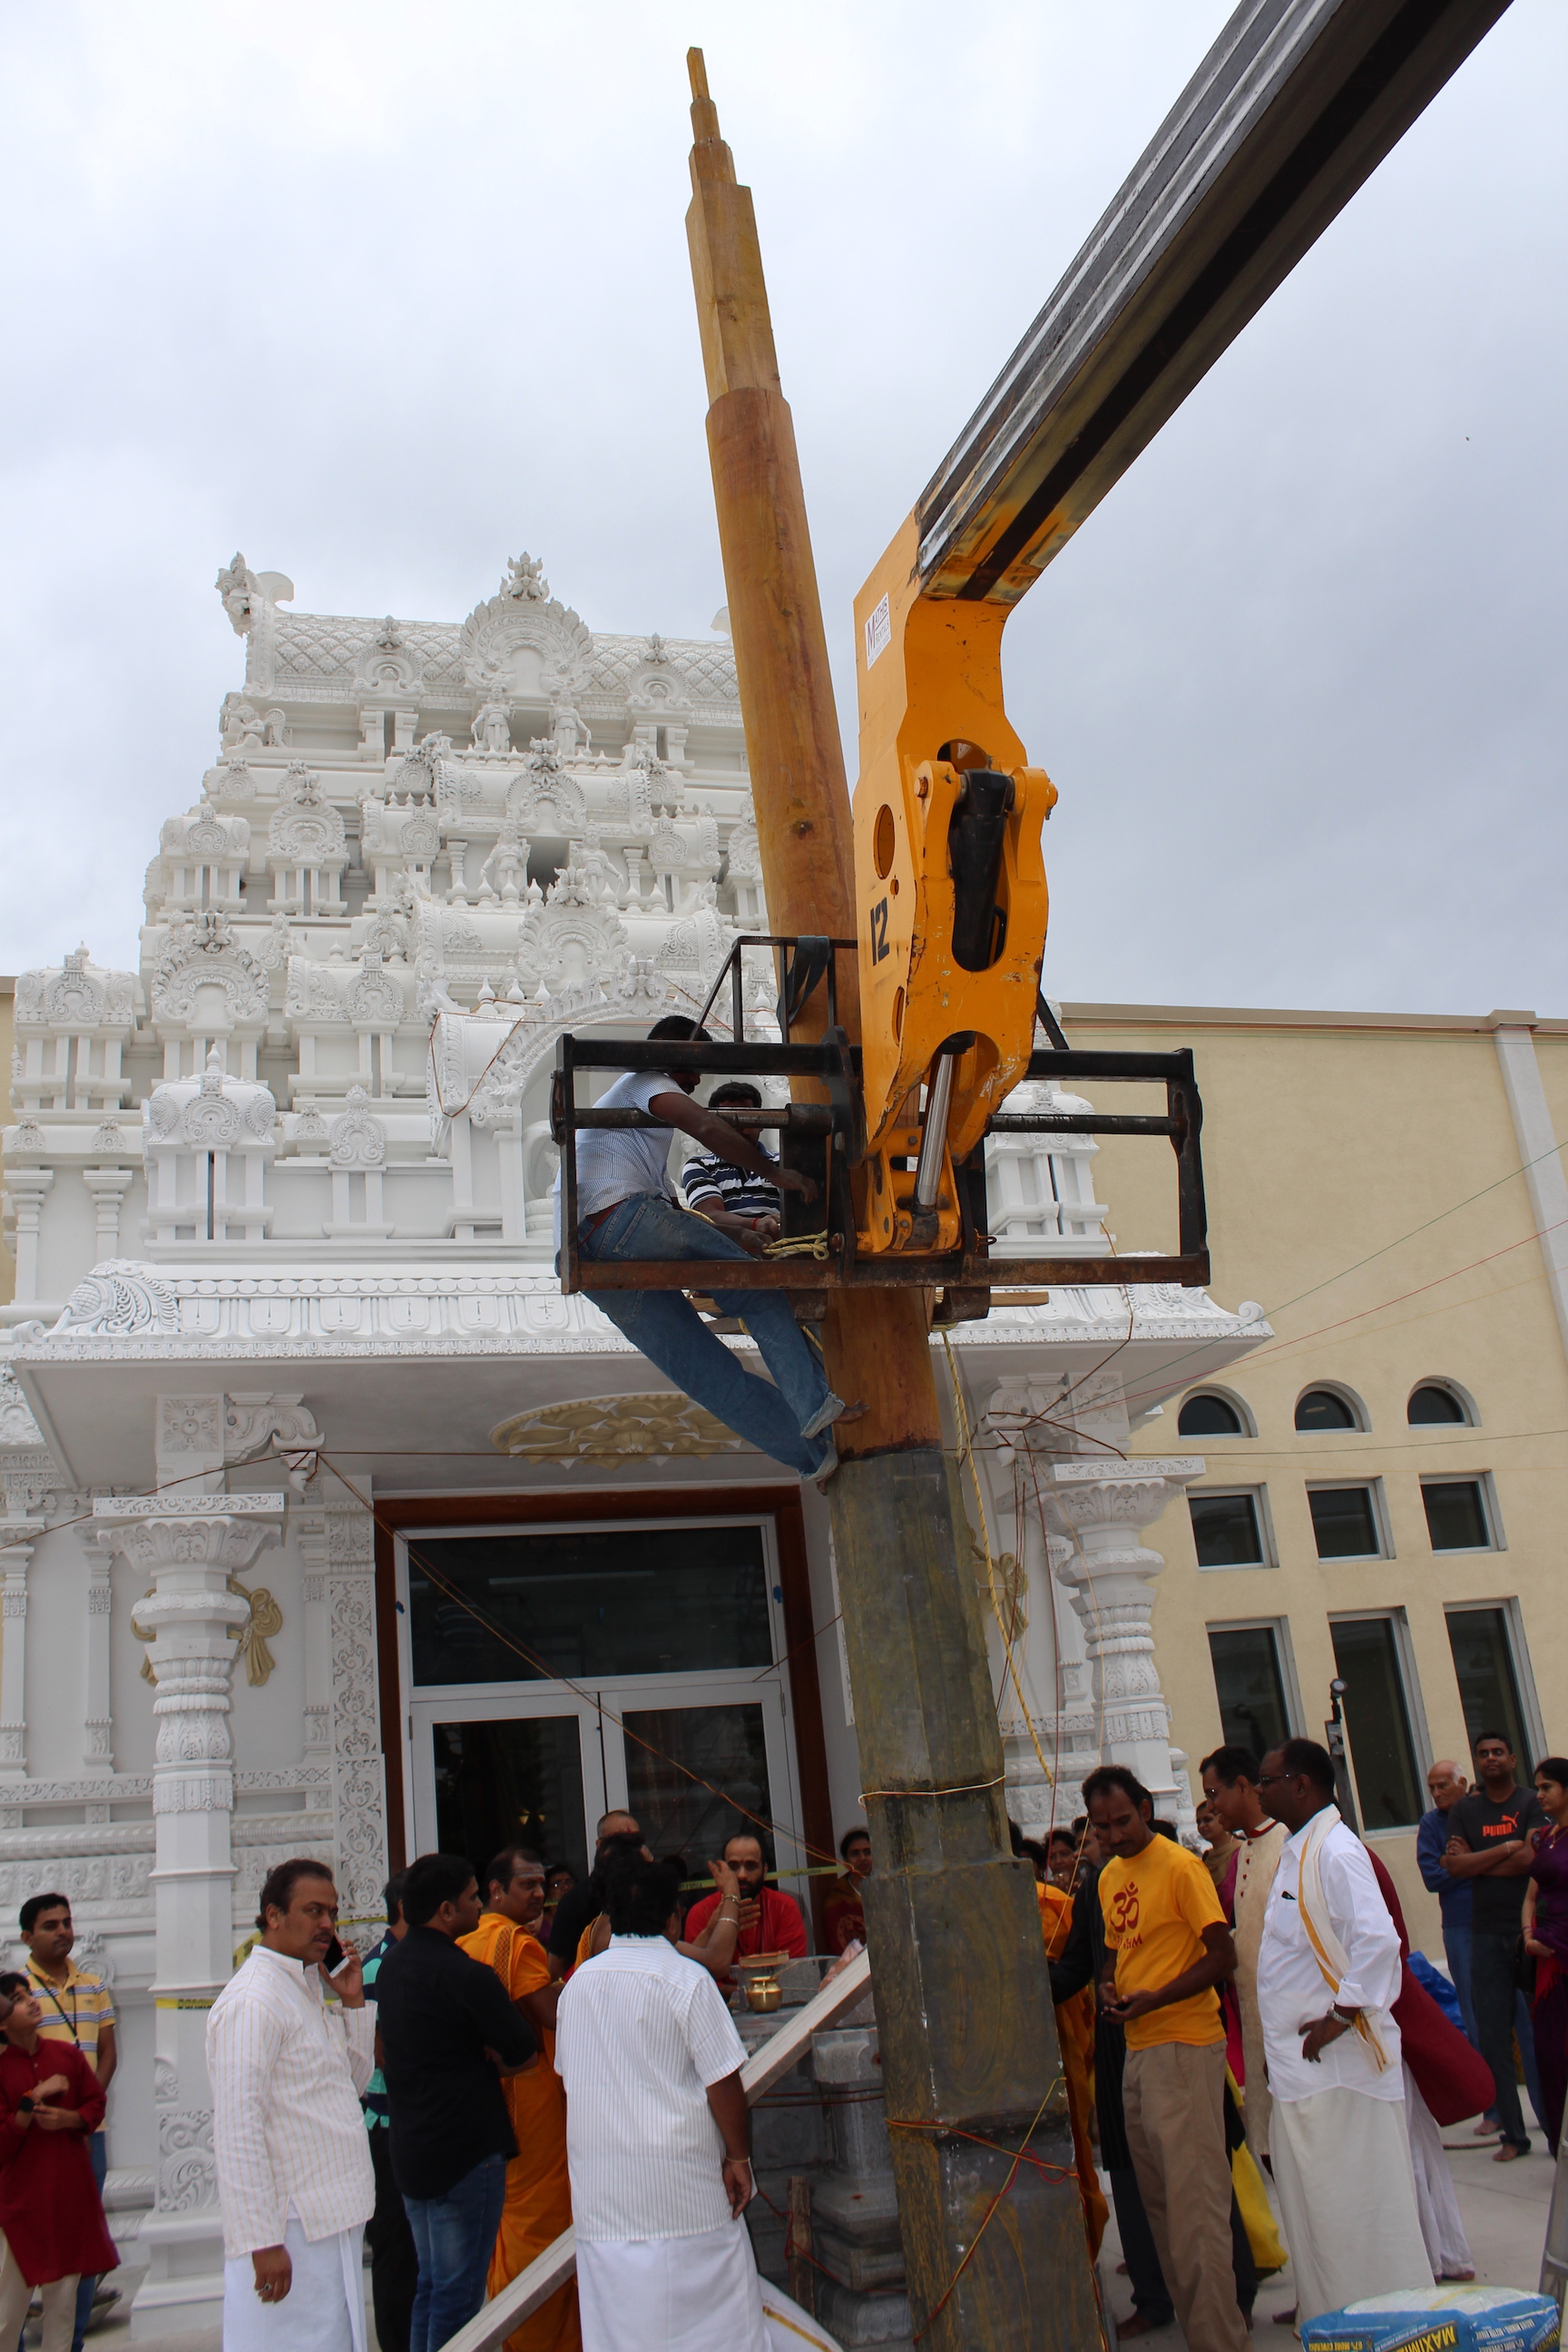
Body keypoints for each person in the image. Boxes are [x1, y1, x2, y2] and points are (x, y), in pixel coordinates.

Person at [554, 1014, 858, 1483]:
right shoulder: (647, 1079)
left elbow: (675, 1216)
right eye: (694, 1067)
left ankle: (813, 1461)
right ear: (670, 1050)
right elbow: (707, 1128)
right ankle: (815, 1404)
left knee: (709, 1377)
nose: (696, 1081)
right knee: (758, 1293)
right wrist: (776, 1174)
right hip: (620, 1219)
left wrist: (738, 1235)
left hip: (586, 1251)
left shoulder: (632, 1130)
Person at [553, 1853, 769, 2352]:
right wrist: (739, 2157)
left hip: (604, 2199)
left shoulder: (577, 1985)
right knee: (718, 2331)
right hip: (683, 2193)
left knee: (622, 2332)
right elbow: (723, 2080)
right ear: (674, 1918)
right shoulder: (685, 1979)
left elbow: (569, 2077)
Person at [1253, 1740, 1430, 2325]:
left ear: (1301, 1784)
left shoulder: (1336, 1850)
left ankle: (1388, 2329)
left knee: (1359, 2219)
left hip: (1340, 2072)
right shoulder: (1300, 1848)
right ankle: (1335, 2328)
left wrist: (1340, 2017)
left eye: (1267, 1780)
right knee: (1320, 2221)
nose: (1259, 1791)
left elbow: (1378, 1941)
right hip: (1303, 2075)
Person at [1084, 1764, 1249, 2352]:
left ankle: (1222, 2342)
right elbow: (1116, 1953)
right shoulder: (1108, 1875)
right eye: (1102, 1827)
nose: (1114, 1835)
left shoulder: (1181, 1866)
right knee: (1162, 2214)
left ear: (1145, 1811)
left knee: (1197, 2215)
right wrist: (1109, 1986)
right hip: (1137, 2051)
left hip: (1184, 2047)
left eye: (1122, 1821)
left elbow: (1222, 1957)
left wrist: (1158, 1997)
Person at [206, 1858, 376, 2352]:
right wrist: (262, 2241)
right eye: (313, 1910)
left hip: (327, 2219)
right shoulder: (253, 2000)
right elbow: (237, 2130)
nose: (327, 1924)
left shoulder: (300, 1987)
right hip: (290, 2227)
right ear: (274, 1915)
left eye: (332, 1913)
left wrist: (352, 2002)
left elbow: (349, 2087)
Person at [373, 1853, 539, 2352]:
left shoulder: (391, 1965)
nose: (480, 1906)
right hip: (464, 2153)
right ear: (446, 1911)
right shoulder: (466, 1974)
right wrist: (489, 2058)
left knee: (431, 2284)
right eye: (471, 1898)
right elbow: (524, 2052)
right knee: (458, 2293)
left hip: (412, 2148)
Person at [458, 1847, 579, 2352]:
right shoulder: (516, 1943)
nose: (538, 1894)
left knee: (507, 2222)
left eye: (542, 1885)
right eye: (527, 1884)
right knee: (541, 2224)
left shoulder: (464, 1941)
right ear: (495, 1891)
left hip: (485, 2097)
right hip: (530, 2098)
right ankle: (536, 2337)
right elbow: (551, 2014)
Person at [1359, 1844, 1490, 2282]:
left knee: (1407, 2147)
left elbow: (1382, 1947)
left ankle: (1432, 2256)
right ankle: (1442, 2252)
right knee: (1413, 2145)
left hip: (1383, 2016)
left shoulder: (1345, 1857)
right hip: (1380, 2016)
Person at [19, 1893, 117, 2352]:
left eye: (66, 1922)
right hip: (34, 2141)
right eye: (49, 1925)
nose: (62, 1931)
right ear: (26, 1937)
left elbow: (108, 2055)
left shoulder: (94, 1985)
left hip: (86, 2134)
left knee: (82, 2242)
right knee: (25, 2240)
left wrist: (82, 2114)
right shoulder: (16, 1994)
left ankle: (70, 2342)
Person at [1445, 1730, 1547, 2160]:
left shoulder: (1532, 1802)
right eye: (1483, 1753)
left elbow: (1532, 1859)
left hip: (1531, 1932)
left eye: (1498, 1752)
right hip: (1484, 1934)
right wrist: (1506, 1847)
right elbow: (1453, 1867)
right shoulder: (1465, 1809)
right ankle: (1513, 2136)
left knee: (1542, 2034)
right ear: (1476, 1761)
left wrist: (1478, 1861)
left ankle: (1554, 2127)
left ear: (1513, 1758)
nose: (1491, 1758)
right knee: (1492, 2037)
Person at [1200, 1746, 1287, 2164]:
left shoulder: (1288, 1844)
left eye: (1214, 1794)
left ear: (1241, 1785)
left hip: (1294, 2030)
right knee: (1274, 2152)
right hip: (1258, 2029)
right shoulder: (1247, 1851)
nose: (1211, 1807)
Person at [361, 1871, 418, 2352]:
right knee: (396, 2249)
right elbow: (380, 2052)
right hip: (387, 2124)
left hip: (409, 2123)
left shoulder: (404, 1958)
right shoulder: (381, 1965)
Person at [1523, 1755, 1568, 2157]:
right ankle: (1561, 2147)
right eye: (1537, 1788)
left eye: (1546, 1787)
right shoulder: (1545, 1837)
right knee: (1551, 2054)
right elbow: (1531, 1895)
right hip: (1547, 1958)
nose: (1539, 1795)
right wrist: (1528, 1936)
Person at [1416, 1761, 1481, 2043]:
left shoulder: (1483, 1815)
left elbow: (1507, 1863)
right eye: (1431, 1788)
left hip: (1497, 1918)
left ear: (1462, 1784)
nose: (1436, 1793)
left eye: (1442, 1786)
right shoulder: (1430, 1824)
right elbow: (1432, 1878)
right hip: (1458, 1924)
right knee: (1470, 2003)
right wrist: (1480, 1864)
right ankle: (1481, 2067)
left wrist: (1456, 1863)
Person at [681, 1082, 784, 1241]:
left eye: (747, 1118)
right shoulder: (699, 1166)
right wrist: (755, 1224)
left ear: (762, 1122)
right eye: (728, 1120)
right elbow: (708, 1216)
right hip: (726, 1252)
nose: (738, 1127)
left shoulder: (783, 1163)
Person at [682, 1834, 808, 1962]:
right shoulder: (701, 1912)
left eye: (751, 1866)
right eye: (733, 1867)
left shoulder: (784, 1908)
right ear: (722, 1871)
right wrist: (712, 1931)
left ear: (764, 1871)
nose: (742, 1875)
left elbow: (792, 1969)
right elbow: (691, 1969)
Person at [822, 1828, 872, 1955]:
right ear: (845, 1861)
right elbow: (840, 1949)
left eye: (868, 1852)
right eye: (855, 1854)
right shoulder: (836, 1900)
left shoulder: (891, 1891)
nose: (862, 1858)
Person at [542, 1865, 577, 1938]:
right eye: (557, 1884)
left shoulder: (581, 1917)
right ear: (547, 1891)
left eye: (569, 1882)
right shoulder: (539, 1923)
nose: (566, 1887)